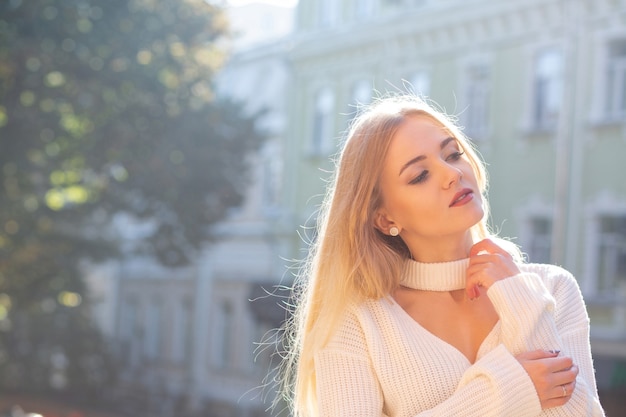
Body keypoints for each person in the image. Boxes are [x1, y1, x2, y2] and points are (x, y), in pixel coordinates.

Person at [279, 94, 605, 416]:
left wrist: (518, 298)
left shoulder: (553, 289)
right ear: (386, 219)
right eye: (420, 175)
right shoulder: (358, 322)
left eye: (452, 154)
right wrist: (508, 391)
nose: (452, 174)